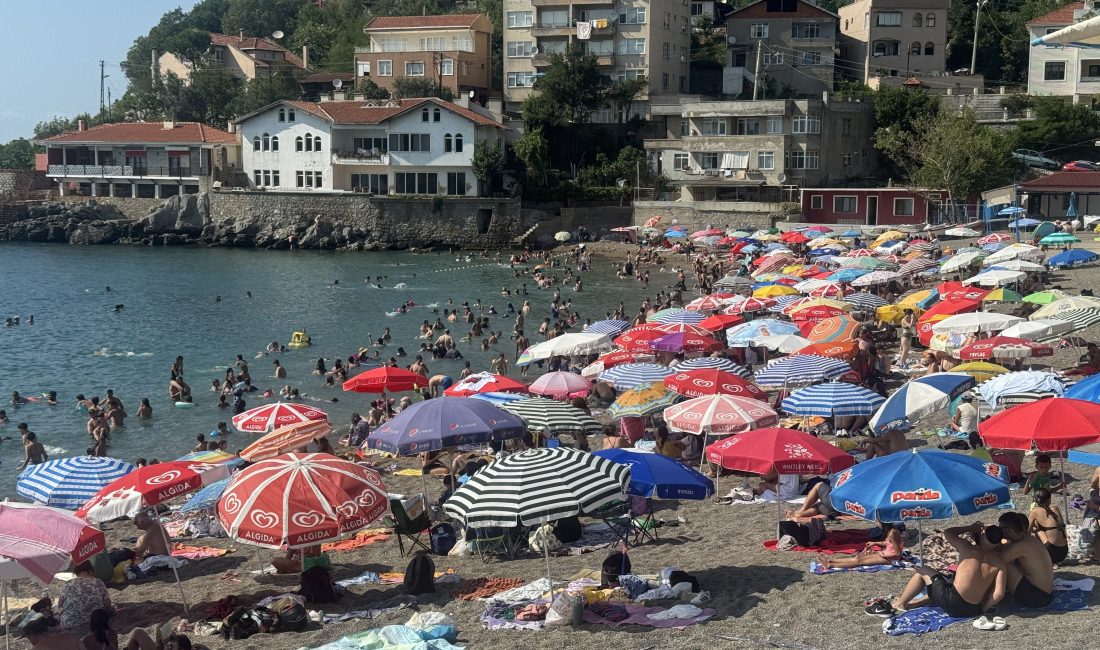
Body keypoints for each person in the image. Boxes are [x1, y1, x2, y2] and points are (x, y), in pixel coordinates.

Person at [876, 523, 1006, 618]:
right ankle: (913, 604)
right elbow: (999, 593)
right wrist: (983, 609)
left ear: (982, 537)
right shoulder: (1000, 563)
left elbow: (948, 532)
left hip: (952, 602)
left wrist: (970, 528)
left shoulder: (967, 548)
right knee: (946, 582)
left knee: (922, 571)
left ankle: (900, 603)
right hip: (972, 609)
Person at [997, 511, 1055, 607]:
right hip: (1045, 594)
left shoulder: (1021, 546)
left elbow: (996, 561)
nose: (999, 531)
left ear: (1009, 530)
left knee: (1003, 564)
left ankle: (989, 595)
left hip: (1037, 598)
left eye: (1000, 528)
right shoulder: (1030, 539)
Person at [820, 522, 904, 570]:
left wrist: (883, 554)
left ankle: (830, 565)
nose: (876, 522)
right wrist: (875, 543)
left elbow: (898, 554)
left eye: (877, 520)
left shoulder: (893, 533)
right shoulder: (889, 531)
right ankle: (831, 561)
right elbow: (889, 543)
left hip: (891, 558)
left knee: (859, 562)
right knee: (858, 558)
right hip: (885, 554)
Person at [59, 561, 112, 631]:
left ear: (76, 572)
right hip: (96, 621)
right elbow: (107, 604)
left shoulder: (68, 583)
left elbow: (60, 604)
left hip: (70, 622)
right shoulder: (98, 582)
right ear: (90, 571)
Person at [1027, 488, 1069, 565]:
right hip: (1064, 551)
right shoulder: (1055, 508)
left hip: (1052, 553)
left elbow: (1027, 532)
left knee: (1038, 531)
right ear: (1049, 500)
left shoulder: (1034, 512)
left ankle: (1040, 557)